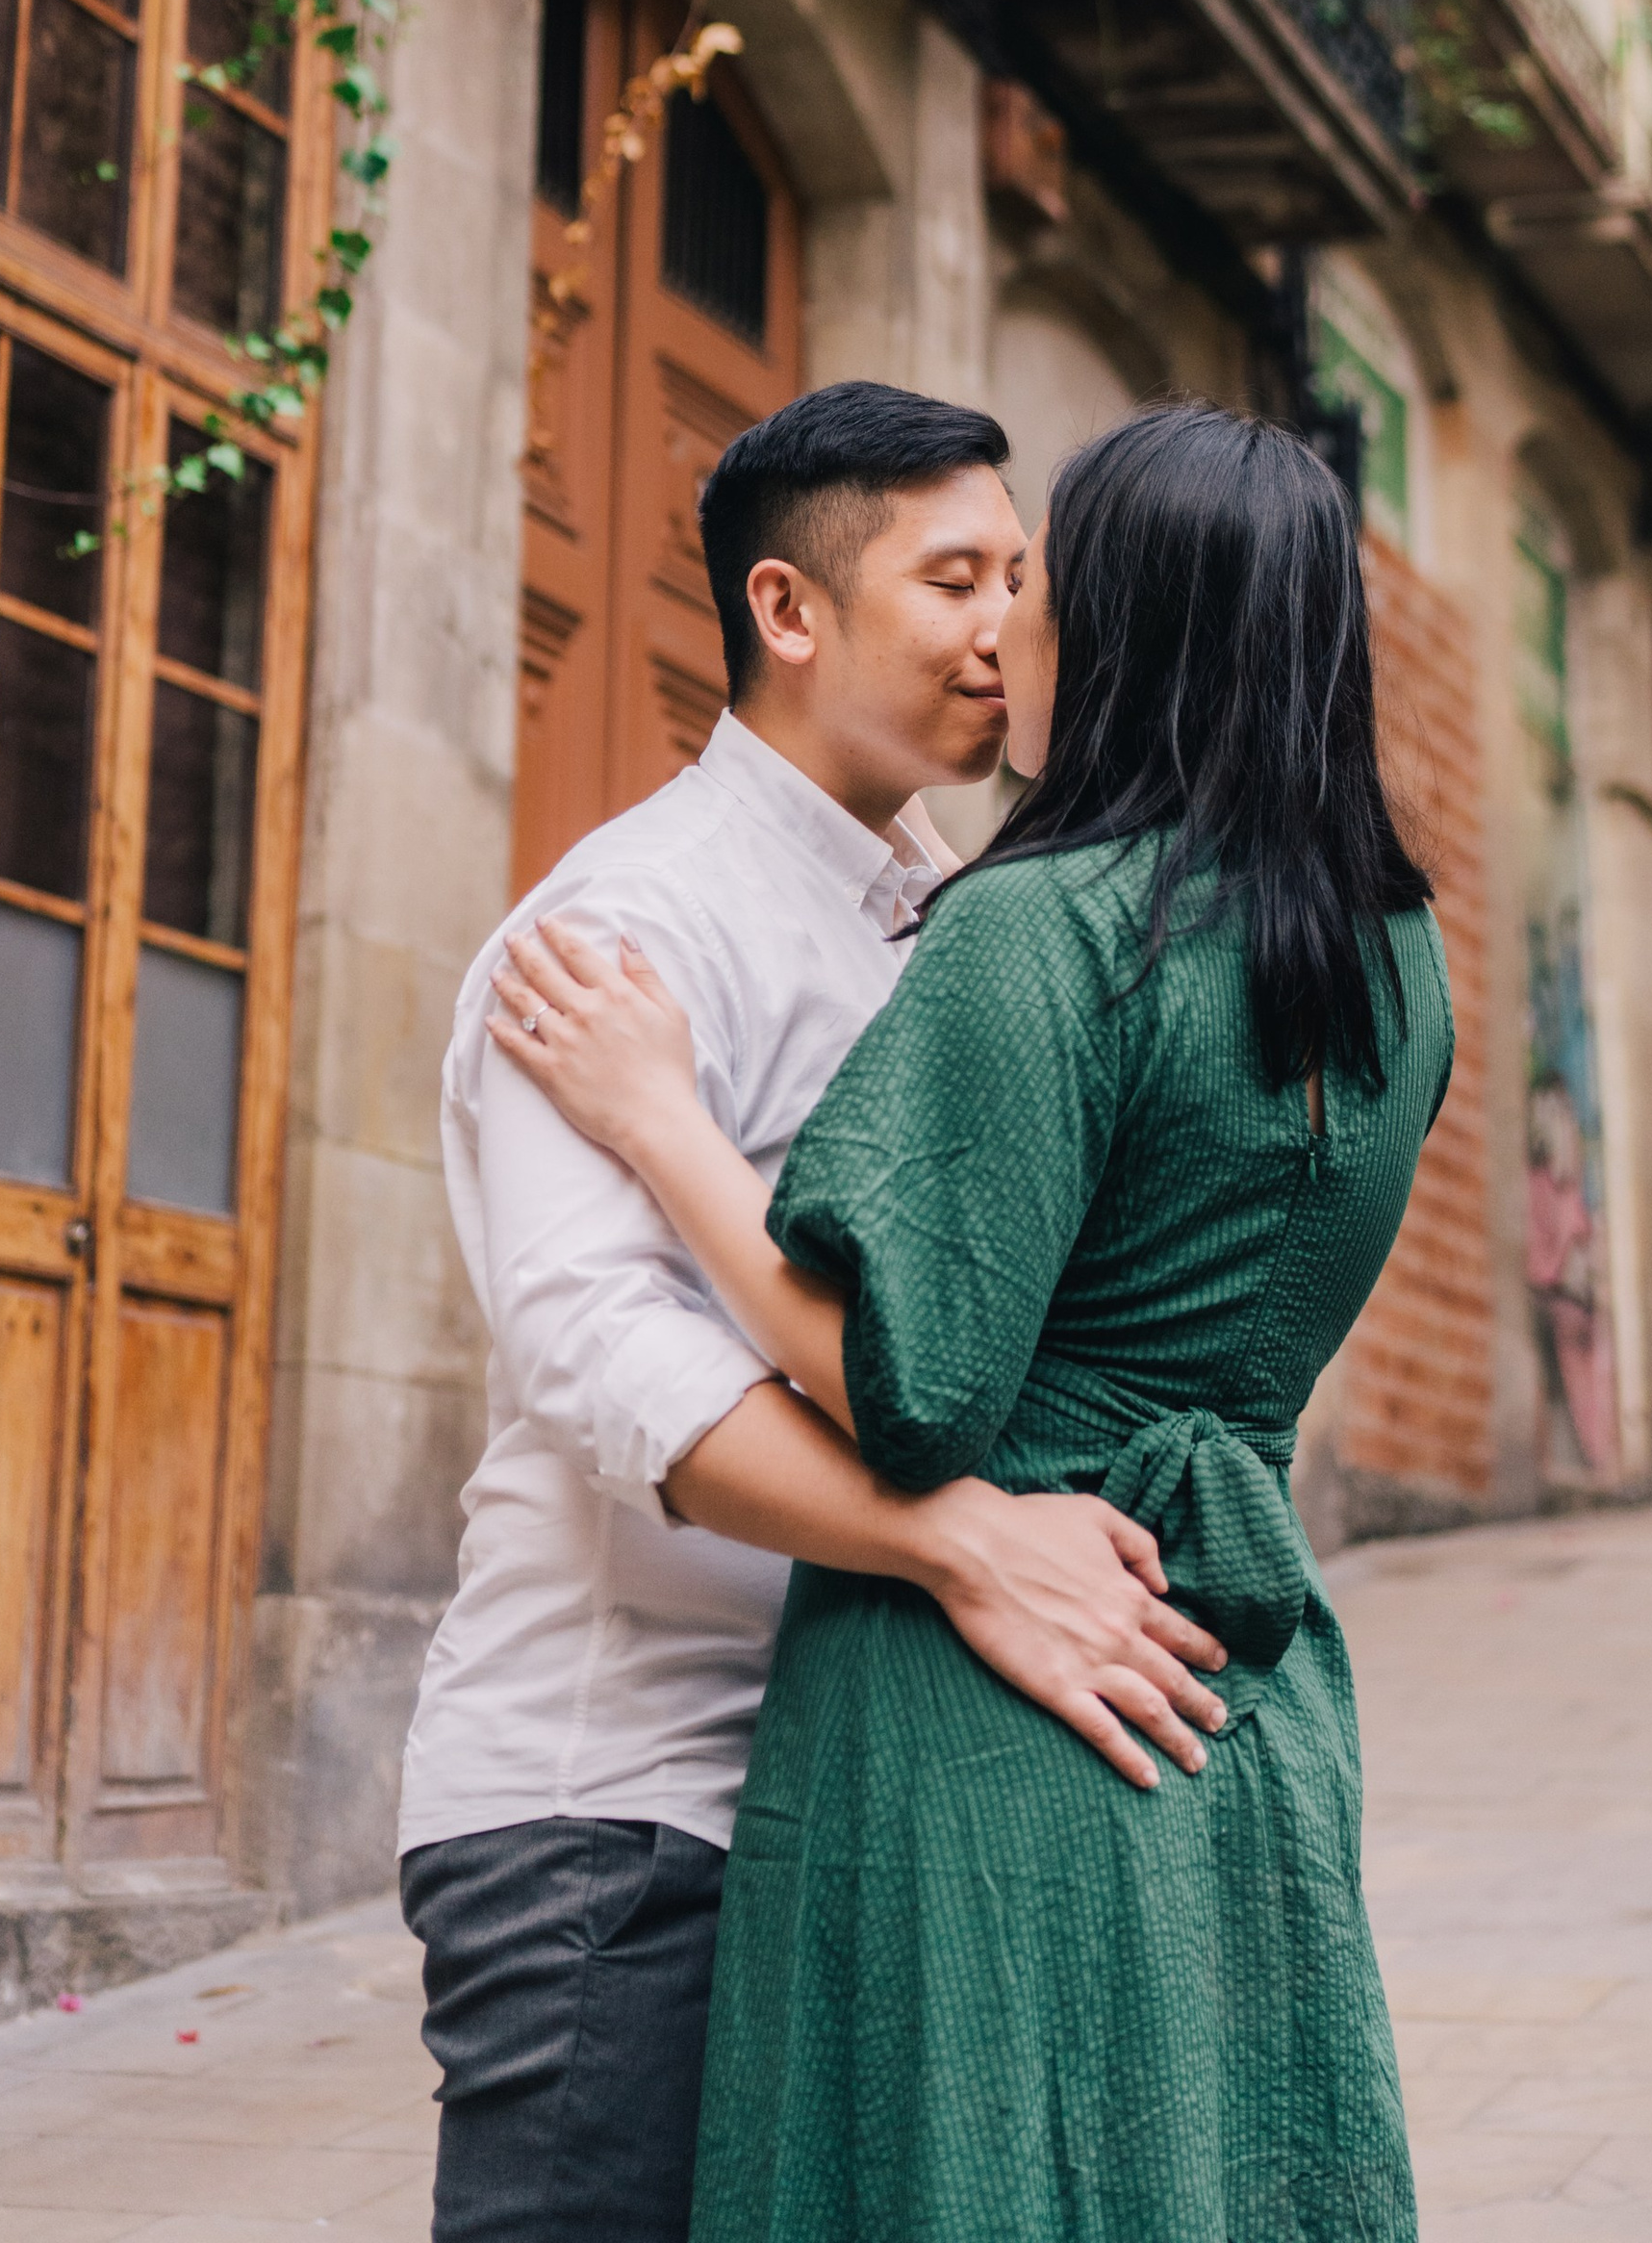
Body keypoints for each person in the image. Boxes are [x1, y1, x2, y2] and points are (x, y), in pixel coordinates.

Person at [495, 398, 1452, 2242]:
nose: (1007, 619)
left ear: (1122, 628)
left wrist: (660, 1123)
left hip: (986, 1715)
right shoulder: (1395, 960)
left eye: (1035, 578)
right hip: (1239, 1663)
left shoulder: (1046, 924)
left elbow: (907, 1387)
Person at [395, 380, 1229, 2243]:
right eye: (953, 578)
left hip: (857, 1792)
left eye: (1018, 573)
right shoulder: (620, 928)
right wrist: (952, 1547)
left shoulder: (960, 913)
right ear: (787, 613)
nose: (1008, 623)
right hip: (618, 1825)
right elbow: (607, 1368)